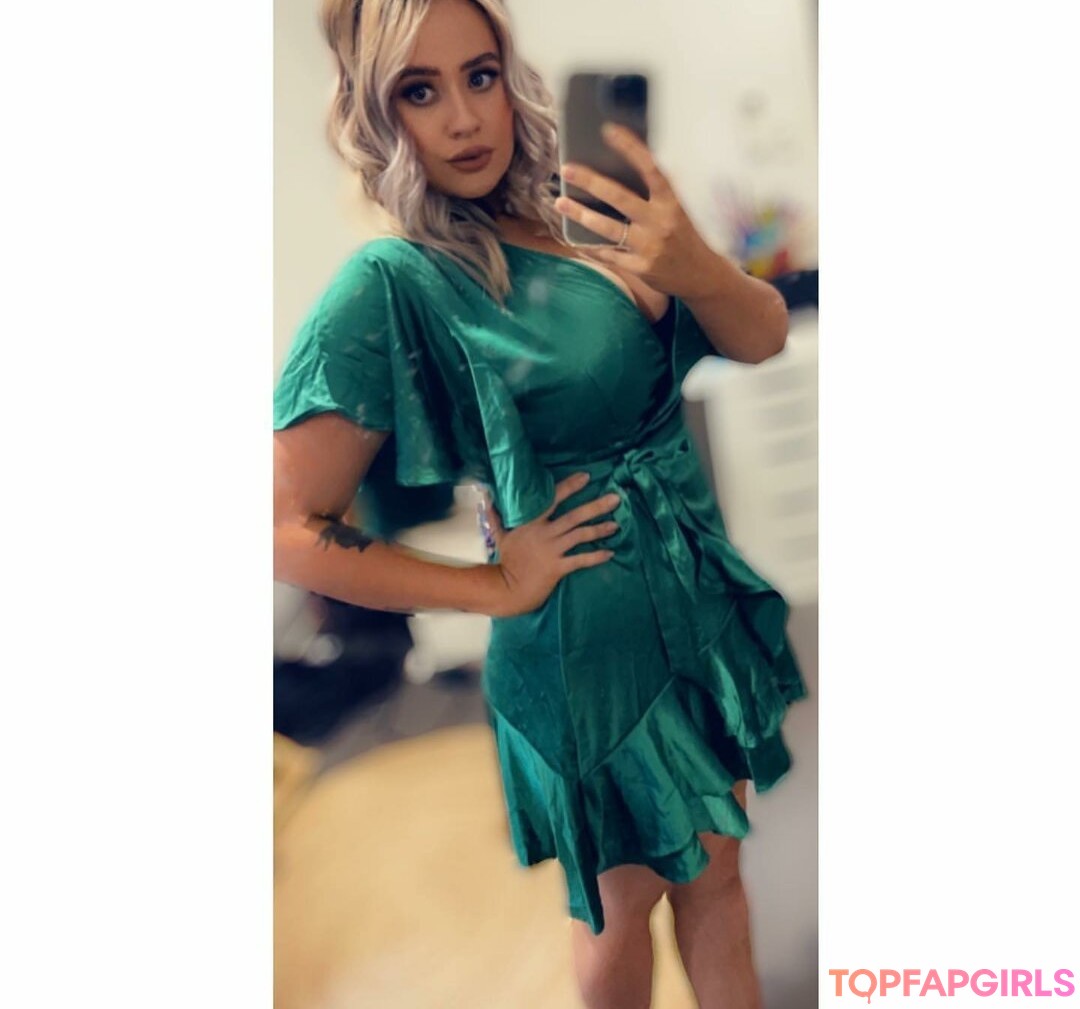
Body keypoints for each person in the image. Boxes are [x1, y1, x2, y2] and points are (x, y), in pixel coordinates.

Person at [272, 0, 808, 1006]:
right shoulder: (395, 278)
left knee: (720, 884)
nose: (463, 117)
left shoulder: (585, 210)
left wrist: (695, 266)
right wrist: (492, 587)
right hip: (581, 644)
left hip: (690, 592)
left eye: (479, 75)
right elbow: (284, 528)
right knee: (618, 918)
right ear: (378, 114)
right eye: (419, 91)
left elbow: (763, 334)